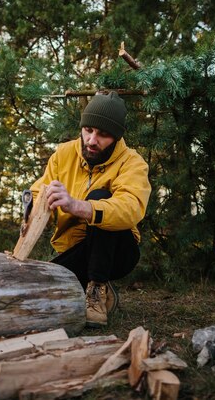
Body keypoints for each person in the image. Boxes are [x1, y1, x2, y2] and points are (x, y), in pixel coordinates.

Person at [29, 91, 151, 327]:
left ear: (116, 137)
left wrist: (78, 206)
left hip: (119, 252)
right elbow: (39, 191)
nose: (92, 140)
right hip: (78, 249)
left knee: (101, 198)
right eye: (88, 130)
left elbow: (130, 207)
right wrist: (31, 208)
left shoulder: (132, 162)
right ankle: (94, 286)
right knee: (42, 286)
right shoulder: (64, 154)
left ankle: (96, 289)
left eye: (103, 135)